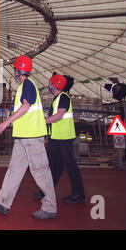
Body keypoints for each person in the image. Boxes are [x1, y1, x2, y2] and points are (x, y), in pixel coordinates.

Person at [0, 56, 57, 220]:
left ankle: (50, 207)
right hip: (24, 137)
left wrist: (5, 123)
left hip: (32, 137)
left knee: (40, 171)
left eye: (16, 70)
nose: (15, 72)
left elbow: (26, 106)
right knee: (15, 169)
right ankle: (3, 202)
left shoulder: (28, 85)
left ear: (18, 71)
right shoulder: (26, 86)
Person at [33, 74, 85, 204]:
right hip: (56, 138)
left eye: (51, 83)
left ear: (55, 85)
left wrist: (42, 122)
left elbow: (59, 115)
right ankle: (46, 191)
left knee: (69, 166)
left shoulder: (63, 98)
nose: (49, 85)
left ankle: (78, 194)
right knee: (53, 166)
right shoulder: (58, 98)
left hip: (63, 138)